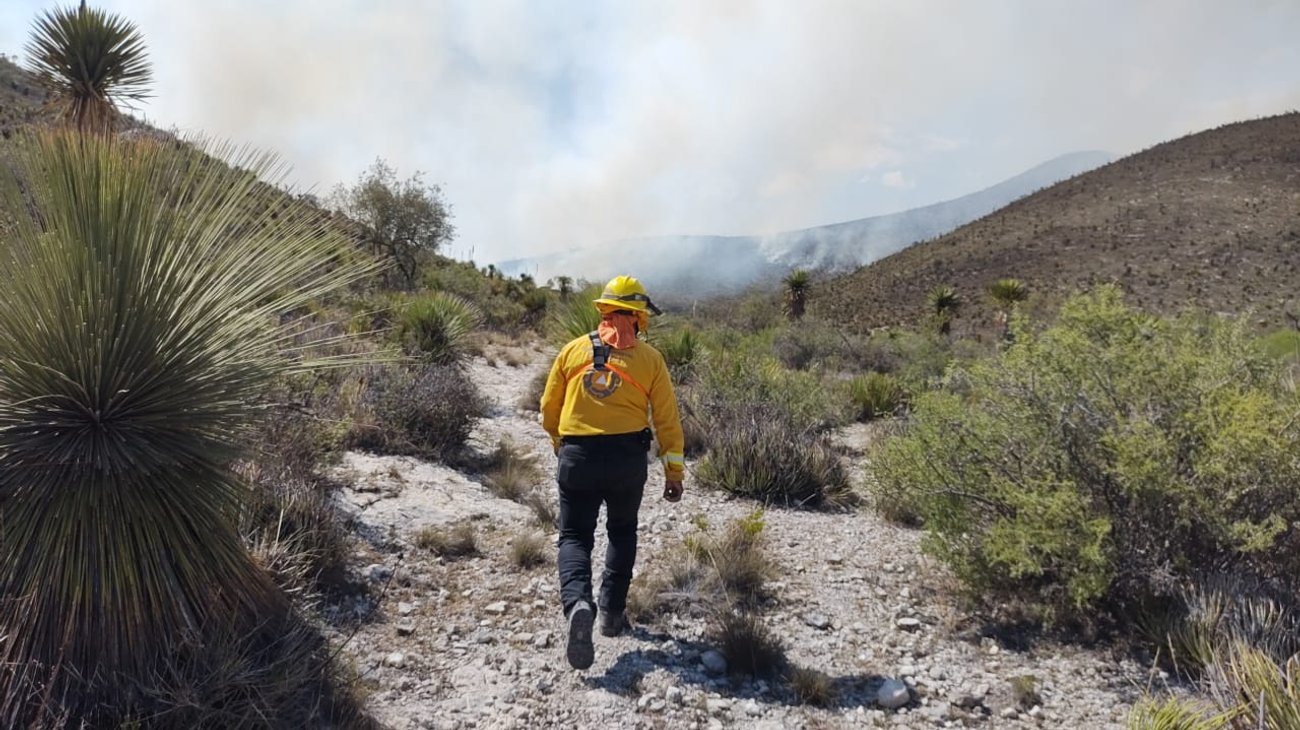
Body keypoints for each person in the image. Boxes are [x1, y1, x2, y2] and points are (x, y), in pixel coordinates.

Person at [539, 274, 685, 670]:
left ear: (603, 310)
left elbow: (549, 409)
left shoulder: (572, 351)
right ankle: (611, 615)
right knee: (622, 531)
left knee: (574, 536)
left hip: (578, 456)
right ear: (639, 317)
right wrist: (674, 472)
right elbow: (668, 421)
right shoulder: (651, 359)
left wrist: (560, 444)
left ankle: (577, 605)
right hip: (626, 460)